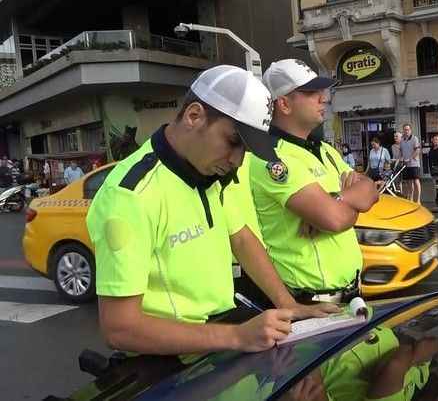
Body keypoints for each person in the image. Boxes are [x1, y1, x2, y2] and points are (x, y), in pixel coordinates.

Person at [86, 65, 337, 356]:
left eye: (247, 150)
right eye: (233, 142)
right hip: (168, 364)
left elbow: (240, 237)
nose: (237, 161)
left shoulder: (212, 171)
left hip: (219, 341)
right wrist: (237, 337)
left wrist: (288, 303)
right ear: (194, 116)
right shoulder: (129, 197)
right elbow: (120, 329)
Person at [252, 58, 379, 303]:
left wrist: (338, 200)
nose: (324, 98)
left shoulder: (325, 150)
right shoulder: (271, 157)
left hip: (353, 294)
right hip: (310, 302)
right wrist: (348, 205)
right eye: (311, 92)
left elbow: (370, 189)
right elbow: (333, 219)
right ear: (284, 104)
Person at [400, 123, 422, 203]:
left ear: (410, 130)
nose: (406, 131)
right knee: (409, 182)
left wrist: (410, 158)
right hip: (406, 164)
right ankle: (411, 199)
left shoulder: (414, 138)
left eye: (407, 129)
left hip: (414, 163)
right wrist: (401, 158)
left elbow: (417, 150)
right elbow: (401, 151)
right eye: (405, 129)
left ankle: (418, 200)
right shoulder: (402, 140)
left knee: (416, 181)